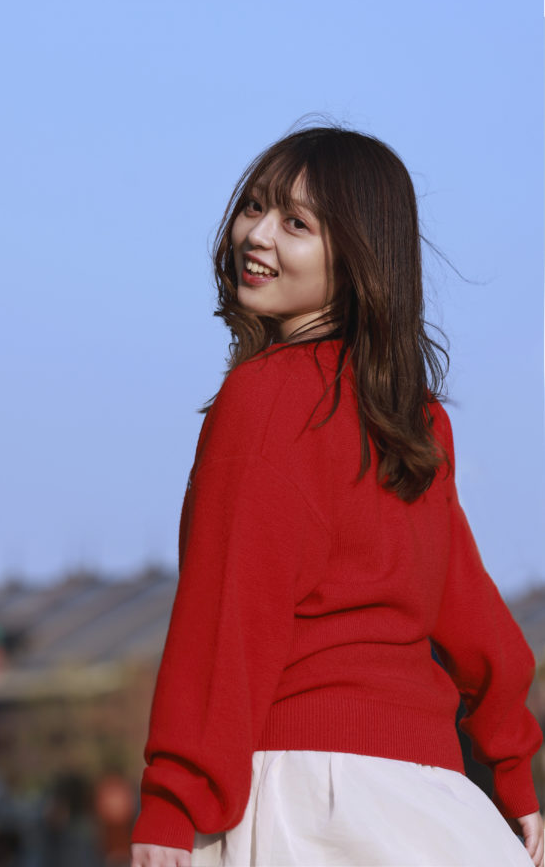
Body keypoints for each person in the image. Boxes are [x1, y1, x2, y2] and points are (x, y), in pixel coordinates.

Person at [130, 126, 544, 867]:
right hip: (432, 802)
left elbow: (227, 613)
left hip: (300, 798)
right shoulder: (415, 418)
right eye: (253, 206)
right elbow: (469, 609)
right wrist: (511, 769)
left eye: (295, 223)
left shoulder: (263, 397)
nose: (256, 235)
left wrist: (171, 801)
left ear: (356, 256)